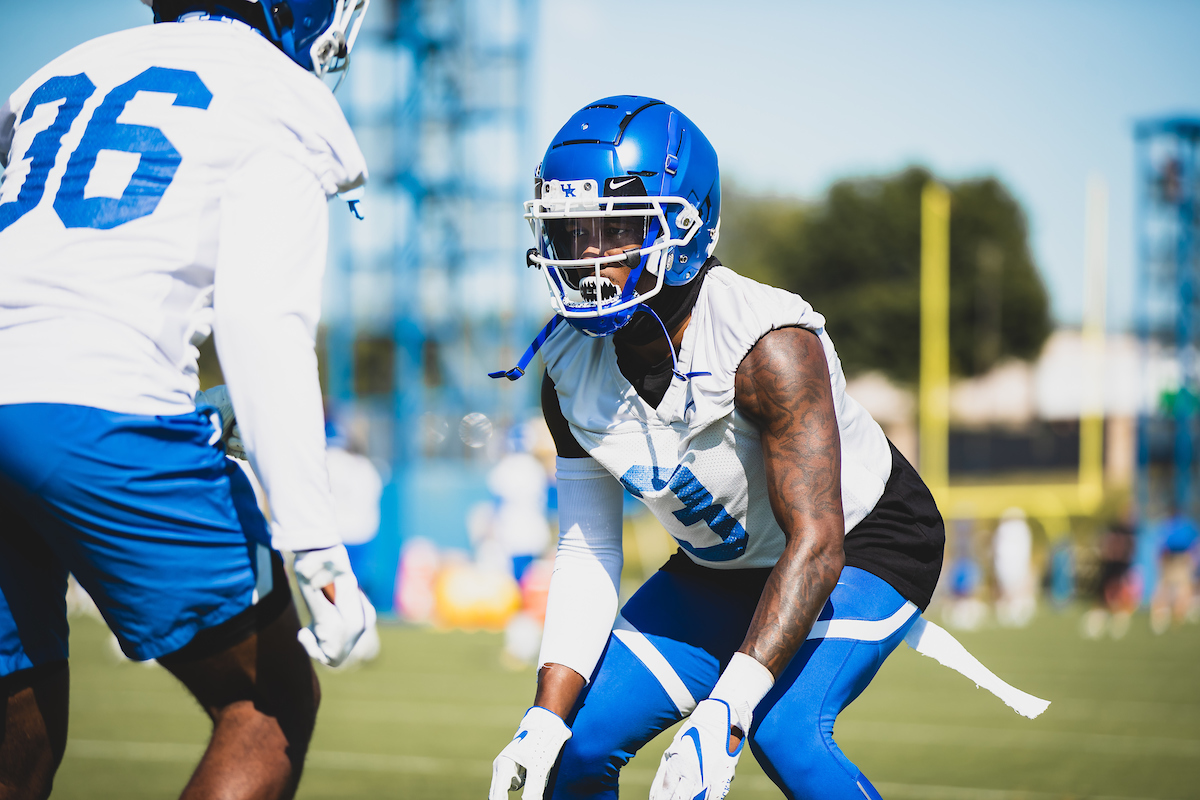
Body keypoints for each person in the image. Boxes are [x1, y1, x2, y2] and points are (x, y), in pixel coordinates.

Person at [487, 96, 1047, 800]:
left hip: (859, 542)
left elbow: (817, 541)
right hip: (721, 564)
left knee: (784, 731)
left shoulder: (769, 346)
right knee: (577, 745)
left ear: (684, 225)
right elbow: (587, 548)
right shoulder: (568, 364)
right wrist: (544, 716)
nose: (589, 255)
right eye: (573, 230)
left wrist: (726, 710)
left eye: (616, 227)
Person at [0, 1, 371, 797]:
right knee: (269, 707)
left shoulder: (54, 74)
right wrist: (317, 551)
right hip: (99, 411)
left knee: (16, 738)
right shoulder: (275, 90)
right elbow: (261, 320)